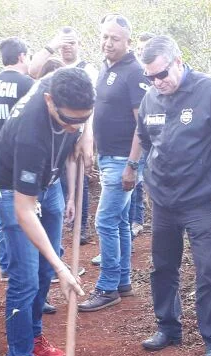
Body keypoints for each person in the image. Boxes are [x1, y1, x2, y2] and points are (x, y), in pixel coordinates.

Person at [136, 35, 211, 356]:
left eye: (162, 74)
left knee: (206, 272)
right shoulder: (150, 100)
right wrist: (148, 179)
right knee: (162, 267)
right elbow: (146, 141)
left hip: (200, 201)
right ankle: (168, 327)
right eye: (151, 77)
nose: (158, 82)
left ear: (178, 60)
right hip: (163, 201)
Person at [0, 67, 92, 356]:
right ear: (49, 101)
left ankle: (35, 336)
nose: (74, 126)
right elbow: (25, 211)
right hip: (12, 187)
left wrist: (87, 133)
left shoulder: (65, 84)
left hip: (49, 179)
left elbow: (81, 101)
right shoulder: (32, 135)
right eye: (69, 120)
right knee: (26, 277)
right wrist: (62, 267)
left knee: (43, 271)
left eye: (82, 119)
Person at [77, 14, 148, 313]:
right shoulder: (107, 69)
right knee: (117, 221)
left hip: (123, 159)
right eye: (105, 37)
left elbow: (142, 125)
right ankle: (122, 282)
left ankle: (107, 287)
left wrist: (132, 165)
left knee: (104, 221)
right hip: (108, 156)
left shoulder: (134, 72)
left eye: (115, 38)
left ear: (128, 41)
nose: (108, 43)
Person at [30, 27, 97, 243]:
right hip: (52, 135)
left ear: (79, 45)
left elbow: (93, 105)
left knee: (79, 182)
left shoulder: (89, 69)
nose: (68, 48)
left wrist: (87, 134)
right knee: (58, 179)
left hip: (77, 132)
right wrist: (52, 45)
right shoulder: (51, 68)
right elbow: (33, 71)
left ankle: (81, 226)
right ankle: (55, 226)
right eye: (64, 44)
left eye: (72, 43)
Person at [0, 37, 34, 281]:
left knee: (3, 217)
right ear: (22, 56)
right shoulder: (28, 84)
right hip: (20, 160)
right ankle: (21, 269)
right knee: (23, 217)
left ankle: (5, 266)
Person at [129, 31, 154, 239]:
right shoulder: (136, 72)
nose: (140, 52)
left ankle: (138, 219)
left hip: (150, 136)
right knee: (136, 180)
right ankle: (136, 219)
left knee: (141, 177)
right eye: (139, 48)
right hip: (136, 137)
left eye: (144, 48)